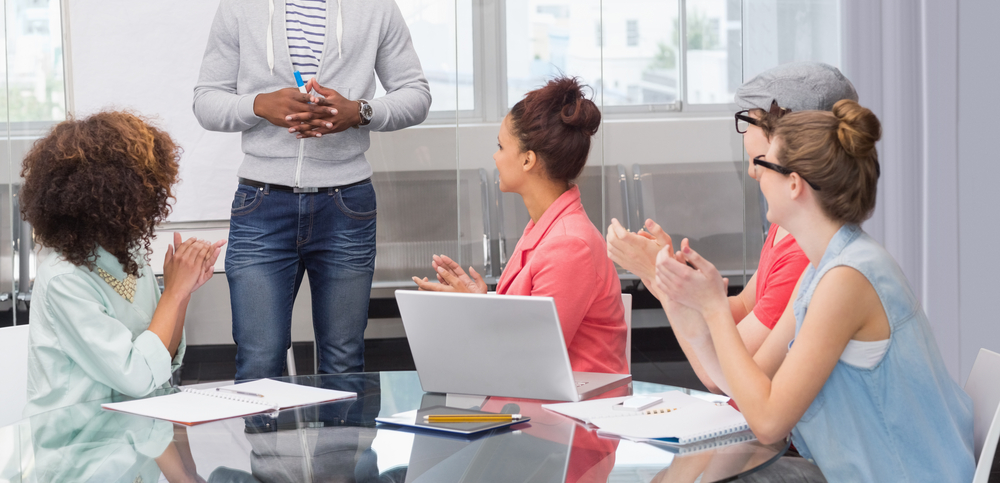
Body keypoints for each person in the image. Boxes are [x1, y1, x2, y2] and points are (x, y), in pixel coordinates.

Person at [655, 101, 974, 480]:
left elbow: (769, 422)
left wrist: (714, 310)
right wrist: (691, 303)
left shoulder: (847, 279)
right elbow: (744, 385)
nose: (755, 174)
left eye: (765, 163)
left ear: (794, 184)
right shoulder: (827, 267)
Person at [193, 0, 431, 380]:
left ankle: (339, 463)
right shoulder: (239, 4)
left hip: (346, 204)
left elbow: (416, 95)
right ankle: (266, 462)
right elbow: (206, 102)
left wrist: (360, 112)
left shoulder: (373, 2)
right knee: (258, 361)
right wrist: (260, 105)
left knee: (343, 361)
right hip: (262, 204)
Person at [607, 62, 857, 391]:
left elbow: (730, 379)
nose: (753, 174)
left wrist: (662, 281)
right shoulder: (791, 233)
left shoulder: (809, 256)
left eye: (761, 164)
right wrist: (682, 280)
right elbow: (742, 308)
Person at [412, 77, 627, 375]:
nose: (495, 156)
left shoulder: (569, 246)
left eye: (501, 146)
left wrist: (474, 310)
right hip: (539, 402)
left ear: (528, 160)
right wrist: (478, 301)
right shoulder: (545, 228)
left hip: (573, 411)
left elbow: (529, 356)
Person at [19, 111, 222, 417]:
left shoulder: (128, 254)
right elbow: (137, 376)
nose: (153, 202)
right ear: (108, 200)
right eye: (143, 191)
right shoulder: (64, 278)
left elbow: (161, 360)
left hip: (133, 431)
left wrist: (184, 289)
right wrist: (174, 293)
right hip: (77, 443)